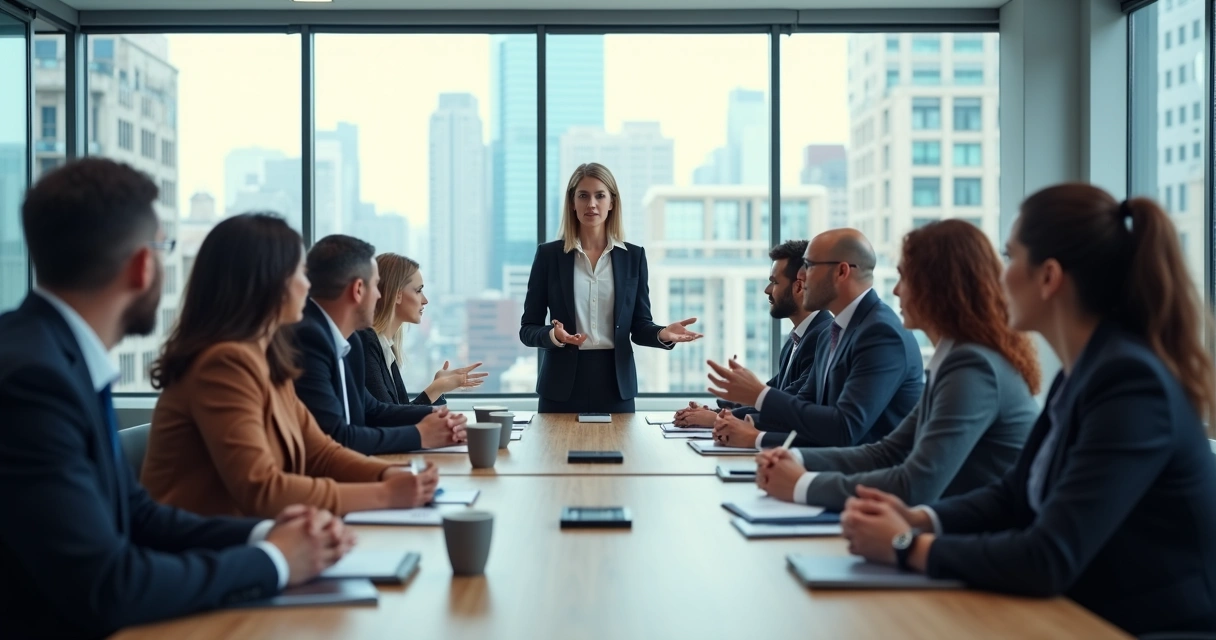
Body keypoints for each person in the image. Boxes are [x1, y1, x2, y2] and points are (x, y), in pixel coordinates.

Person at [839, 184, 1216, 637]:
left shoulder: (1132, 384)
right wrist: (921, 518)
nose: (999, 277)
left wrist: (905, 546)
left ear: (1049, 277)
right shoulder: (1084, 372)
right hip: (1082, 613)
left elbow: (1048, 557)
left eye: (1011, 256)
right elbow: (1014, 494)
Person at [0, 159, 352, 638]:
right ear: (144, 265)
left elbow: (137, 515)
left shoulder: (58, 357)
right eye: (163, 248)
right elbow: (107, 586)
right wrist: (273, 561)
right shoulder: (34, 380)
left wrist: (268, 533)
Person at [142, 214, 440, 519]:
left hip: (258, 537)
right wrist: (384, 493)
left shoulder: (267, 357)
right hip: (209, 552)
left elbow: (321, 452)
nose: (308, 284)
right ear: (268, 283)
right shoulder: (223, 364)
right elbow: (262, 489)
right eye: (299, 272)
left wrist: (390, 474)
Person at [755, 220, 1039, 511]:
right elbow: (889, 452)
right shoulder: (955, 358)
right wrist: (795, 459)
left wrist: (801, 485)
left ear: (941, 287)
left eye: (906, 278)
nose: (897, 291)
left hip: (976, 537)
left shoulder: (972, 367)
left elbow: (914, 485)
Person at [707, 228, 923, 449]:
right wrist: (751, 431)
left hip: (867, 477)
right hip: (830, 468)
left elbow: (844, 430)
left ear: (841, 272)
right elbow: (805, 410)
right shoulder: (832, 332)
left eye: (808, 266)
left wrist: (760, 399)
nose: (800, 277)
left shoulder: (881, 333)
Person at [520, 162, 703, 413]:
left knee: (618, 453)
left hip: (616, 384)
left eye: (600, 195)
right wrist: (554, 336)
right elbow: (527, 329)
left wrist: (662, 334)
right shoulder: (549, 256)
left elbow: (639, 327)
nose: (591, 204)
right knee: (555, 453)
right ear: (572, 203)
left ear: (612, 202)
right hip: (560, 385)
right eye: (583, 196)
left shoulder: (633, 258)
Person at [294, 235, 466, 455]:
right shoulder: (310, 341)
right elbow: (338, 438)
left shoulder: (349, 342)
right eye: (376, 285)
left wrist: (438, 415)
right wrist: (422, 435)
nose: (379, 295)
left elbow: (373, 409)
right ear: (358, 289)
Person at [672, 240, 831, 428]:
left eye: (774, 282)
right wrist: (716, 412)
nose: (767, 290)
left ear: (798, 287)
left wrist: (718, 420)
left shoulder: (823, 337)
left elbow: (787, 404)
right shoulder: (796, 339)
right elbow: (770, 393)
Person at [357, 252, 487, 406]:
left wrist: (438, 387)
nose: (425, 301)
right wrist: (435, 389)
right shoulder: (367, 342)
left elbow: (398, 415)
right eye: (418, 291)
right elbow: (389, 421)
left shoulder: (386, 348)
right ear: (396, 294)